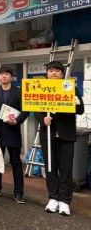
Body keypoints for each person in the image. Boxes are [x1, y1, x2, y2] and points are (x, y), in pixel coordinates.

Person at [35, 60, 84, 216]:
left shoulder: (70, 87)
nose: (54, 73)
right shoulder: (41, 88)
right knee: (50, 168)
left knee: (66, 169)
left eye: (57, 71)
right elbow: (36, 108)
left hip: (66, 135)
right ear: (47, 74)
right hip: (48, 134)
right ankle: (53, 198)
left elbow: (81, 109)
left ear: (62, 74)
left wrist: (70, 102)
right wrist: (43, 119)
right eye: (51, 71)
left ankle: (64, 201)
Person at [0, 66, 29, 204]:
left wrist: (17, 121)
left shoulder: (19, 91)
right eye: (1, 74)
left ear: (11, 77)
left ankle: (18, 192)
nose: (3, 76)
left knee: (16, 163)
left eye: (6, 74)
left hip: (13, 131)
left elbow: (25, 110)